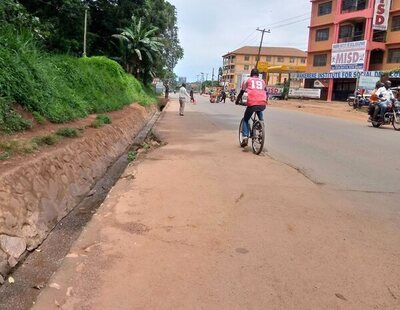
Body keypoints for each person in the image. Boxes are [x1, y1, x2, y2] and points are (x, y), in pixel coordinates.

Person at [235, 68, 267, 147]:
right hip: (262, 103)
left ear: (251, 74)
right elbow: (266, 91)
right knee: (260, 114)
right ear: (258, 74)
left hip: (252, 102)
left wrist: (237, 101)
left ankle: (245, 137)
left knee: (246, 119)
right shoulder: (263, 81)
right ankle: (261, 126)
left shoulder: (247, 80)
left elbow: (242, 92)